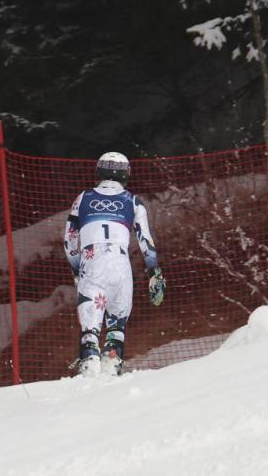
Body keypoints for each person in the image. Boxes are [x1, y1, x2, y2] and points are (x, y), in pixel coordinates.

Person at [63, 150, 166, 376]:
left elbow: (69, 240)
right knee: (116, 325)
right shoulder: (134, 202)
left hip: (92, 261)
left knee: (90, 328)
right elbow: (145, 242)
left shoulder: (83, 198)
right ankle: (113, 358)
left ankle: (89, 360)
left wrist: (77, 271)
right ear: (125, 174)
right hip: (120, 263)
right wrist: (154, 273)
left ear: (99, 171)